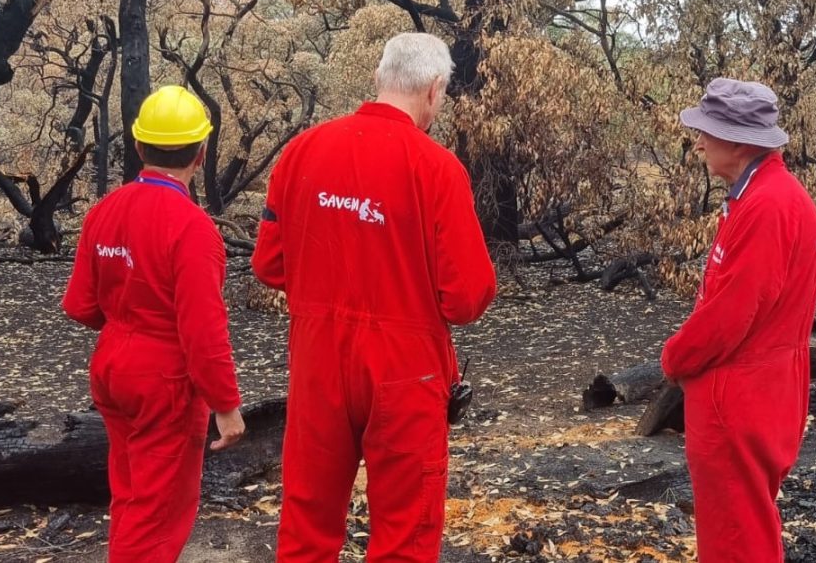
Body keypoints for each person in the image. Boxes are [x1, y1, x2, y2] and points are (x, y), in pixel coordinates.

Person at [252, 32, 496, 562]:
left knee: (306, 524)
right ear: (434, 91)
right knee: (406, 534)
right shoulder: (437, 170)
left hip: (317, 360)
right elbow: (468, 298)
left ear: (379, 79)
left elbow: (269, 265)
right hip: (406, 370)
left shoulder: (301, 153)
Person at [62, 85, 245, 562]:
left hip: (112, 370)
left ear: (139, 147)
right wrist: (226, 405)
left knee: (130, 494)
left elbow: (81, 307)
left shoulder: (104, 211)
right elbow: (203, 331)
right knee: (159, 514)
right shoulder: (192, 228)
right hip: (164, 381)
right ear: (202, 154)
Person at [660, 78, 816, 561]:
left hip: (740, 394)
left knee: (734, 535)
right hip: (768, 385)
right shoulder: (778, 195)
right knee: (750, 521)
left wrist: (674, 356)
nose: (699, 141)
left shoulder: (767, 206)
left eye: (707, 131)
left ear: (736, 141)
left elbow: (731, 314)